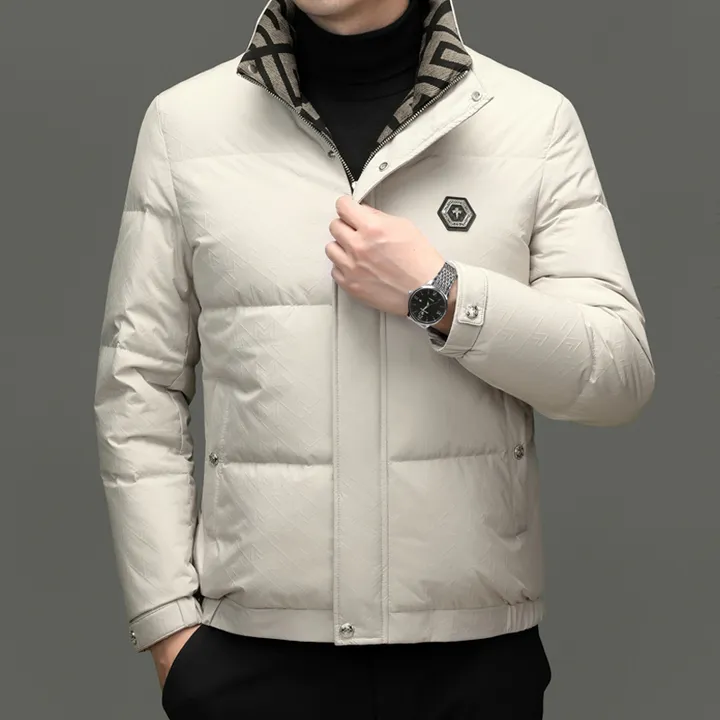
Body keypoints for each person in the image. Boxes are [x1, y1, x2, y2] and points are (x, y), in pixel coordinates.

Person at [93, 0, 655, 717]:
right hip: (248, 663)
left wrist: (443, 295)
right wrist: (168, 626)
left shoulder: (532, 124)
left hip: (470, 668)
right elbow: (137, 385)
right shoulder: (186, 126)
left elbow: (617, 375)